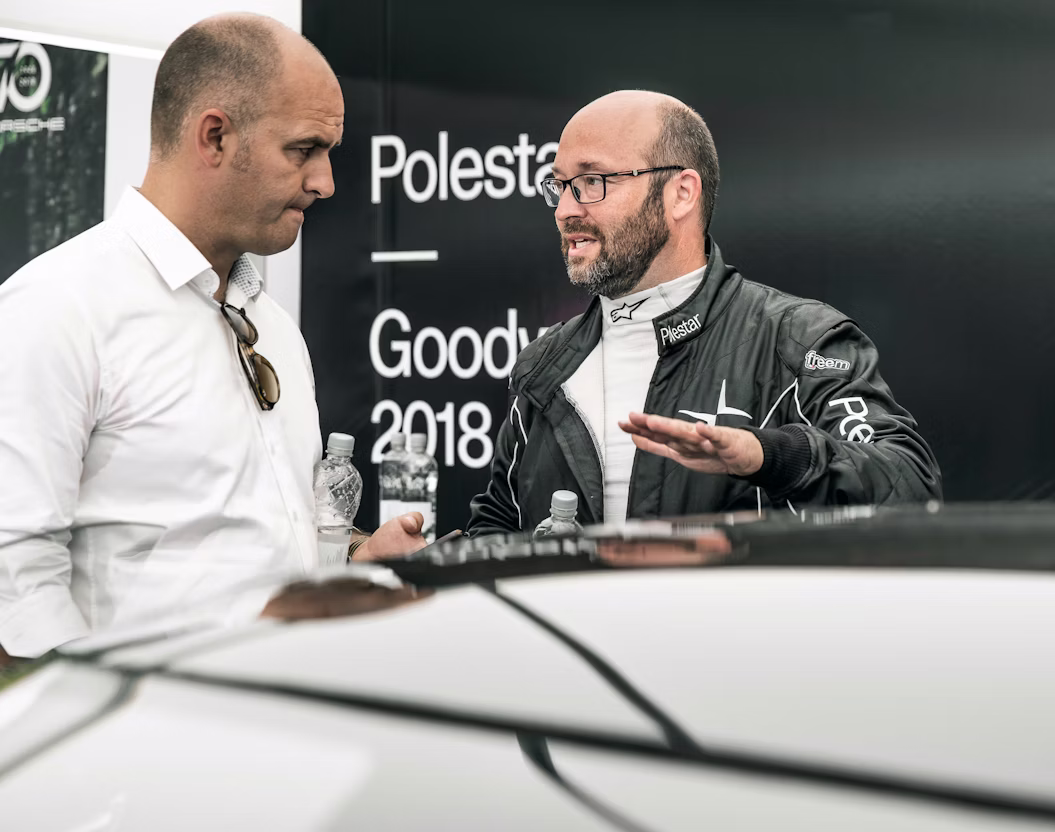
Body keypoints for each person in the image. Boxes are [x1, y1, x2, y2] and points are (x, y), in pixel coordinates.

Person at [0, 14, 423, 662]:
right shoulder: (56, 308)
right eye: (304, 149)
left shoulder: (275, 326)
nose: (325, 182)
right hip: (143, 750)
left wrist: (359, 559)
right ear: (215, 136)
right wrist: (100, 735)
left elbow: (268, 542)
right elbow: (15, 578)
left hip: (292, 730)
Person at [467, 90, 940, 536]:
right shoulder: (544, 366)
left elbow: (909, 483)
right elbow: (495, 531)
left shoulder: (798, 340)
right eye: (559, 185)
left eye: (593, 182)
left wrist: (766, 455)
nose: (565, 209)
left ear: (681, 193)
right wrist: (415, 565)